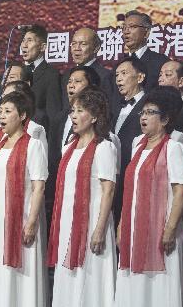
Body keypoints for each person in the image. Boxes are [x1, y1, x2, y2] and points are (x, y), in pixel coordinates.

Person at [114, 87, 183, 307]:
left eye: (150, 112)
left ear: (165, 119)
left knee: (160, 285)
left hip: (161, 228)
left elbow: (181, 190)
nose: (144, 117)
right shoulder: (138, 146)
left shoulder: (173, 148)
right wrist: (121, 225)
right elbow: (131, 190)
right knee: (134, 284)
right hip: (135, 227)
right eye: (142, 112)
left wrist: (170, 228)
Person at [48, 88, 117, 307]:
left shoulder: (104, 147)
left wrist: (99, 229)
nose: (73, 116)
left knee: (91, 278)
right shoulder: (68, 147)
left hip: (92, 222)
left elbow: (108, 190)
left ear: (95, 116)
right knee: (68, 277)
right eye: (72, 110)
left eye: (80, 111)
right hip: (67, 221)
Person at [0, 91, 48, 307]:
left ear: (22, 116)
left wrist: (31, 223)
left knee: (21, 275)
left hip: (22, 219)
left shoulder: (33, 145)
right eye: (0, 111)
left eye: (8, 111)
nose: (1, 116)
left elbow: (38, 186)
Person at [20, 24, 64, 127]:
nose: (24, 45)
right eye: (23, 40)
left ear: (43, 47)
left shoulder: (51, 74)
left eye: (30, 40)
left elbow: (52, 114)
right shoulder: (16, 71)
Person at [121, 10, 169, 86]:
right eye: (124, 27)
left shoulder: (161, 63)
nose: (126, 31)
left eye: (132, 27)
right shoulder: (119, 63)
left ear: (146, 33)